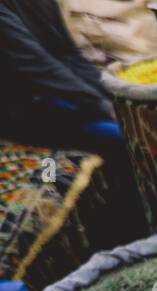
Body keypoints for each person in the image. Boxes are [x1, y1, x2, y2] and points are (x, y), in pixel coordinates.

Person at [0, 0, 145, 242]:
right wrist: (100, 106)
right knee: (121, 137)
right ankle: (127, 235)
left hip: (51, 94)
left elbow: (68, 55)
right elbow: (37, 67)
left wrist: (114, 96)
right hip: (19, 110)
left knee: (136, 120)